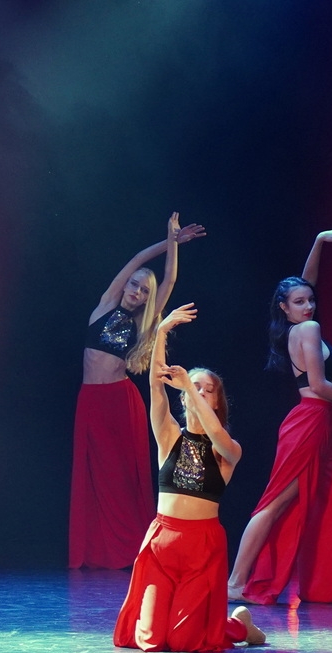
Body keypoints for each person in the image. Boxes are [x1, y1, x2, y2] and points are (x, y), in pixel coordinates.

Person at [227, 229, 332, 606]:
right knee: (275, 503)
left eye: (311, 300)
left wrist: (319, 242)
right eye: (300, 302)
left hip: (323, 430)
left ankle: (329, 585)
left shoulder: (298, 324)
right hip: (310, 424)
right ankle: (235, 582)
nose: (308, 306)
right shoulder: (307, 329)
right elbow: (319, 384)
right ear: (284, 307)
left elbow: (304, 284)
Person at [113, 304, 267, 652]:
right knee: (150, 641)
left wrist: (189, 388)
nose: (198, 391)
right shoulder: (169, 436)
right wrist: (161, 333)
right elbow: (155, 387)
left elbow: (218, 437)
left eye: (206, 389)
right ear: (183, 397)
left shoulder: (227, 450)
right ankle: (223, 623)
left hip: (202, 547)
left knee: (187, 641)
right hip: (163, 543)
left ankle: (238, 626)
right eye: (193, 387)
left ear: (216, 402)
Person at [70, 213, 203, 568]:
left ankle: (132, 548)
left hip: (119, 400)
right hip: (90, 400)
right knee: (94, 476)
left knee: (120, 478)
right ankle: (98, 551)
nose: (136, 292)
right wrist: (170, 240)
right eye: (134, 285)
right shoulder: (104, 306)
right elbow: (136, 260)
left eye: (144, 290)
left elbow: (170, 280)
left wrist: (176, 249)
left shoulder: (143, 323)